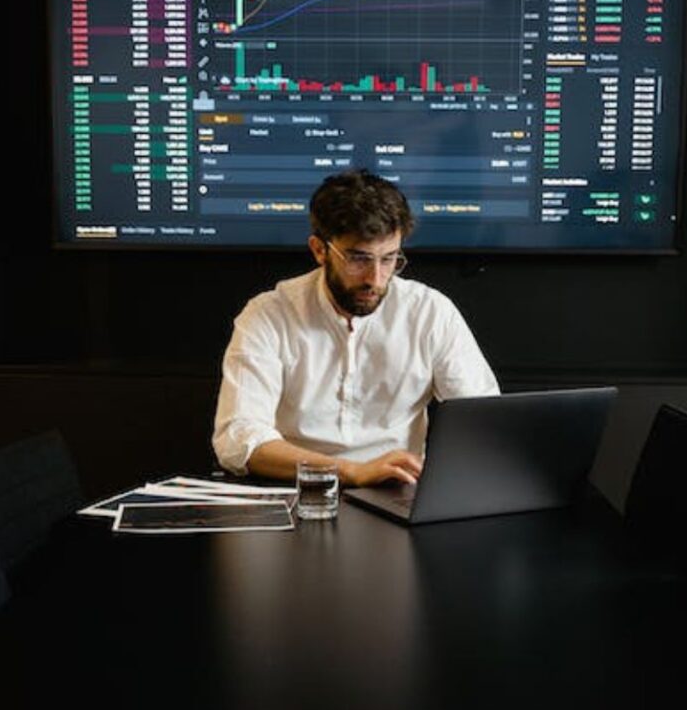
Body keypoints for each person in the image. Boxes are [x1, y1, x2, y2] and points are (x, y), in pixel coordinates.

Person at [212, 170, 498, 486]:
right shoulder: (268, 314)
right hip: (296, 491)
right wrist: (350, 471)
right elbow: (237, 440)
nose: (375, 279)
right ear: (319, 250)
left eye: (389, 259)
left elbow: (484, 422)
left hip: (400, 491)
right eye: (358, 259)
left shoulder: (430, 311)